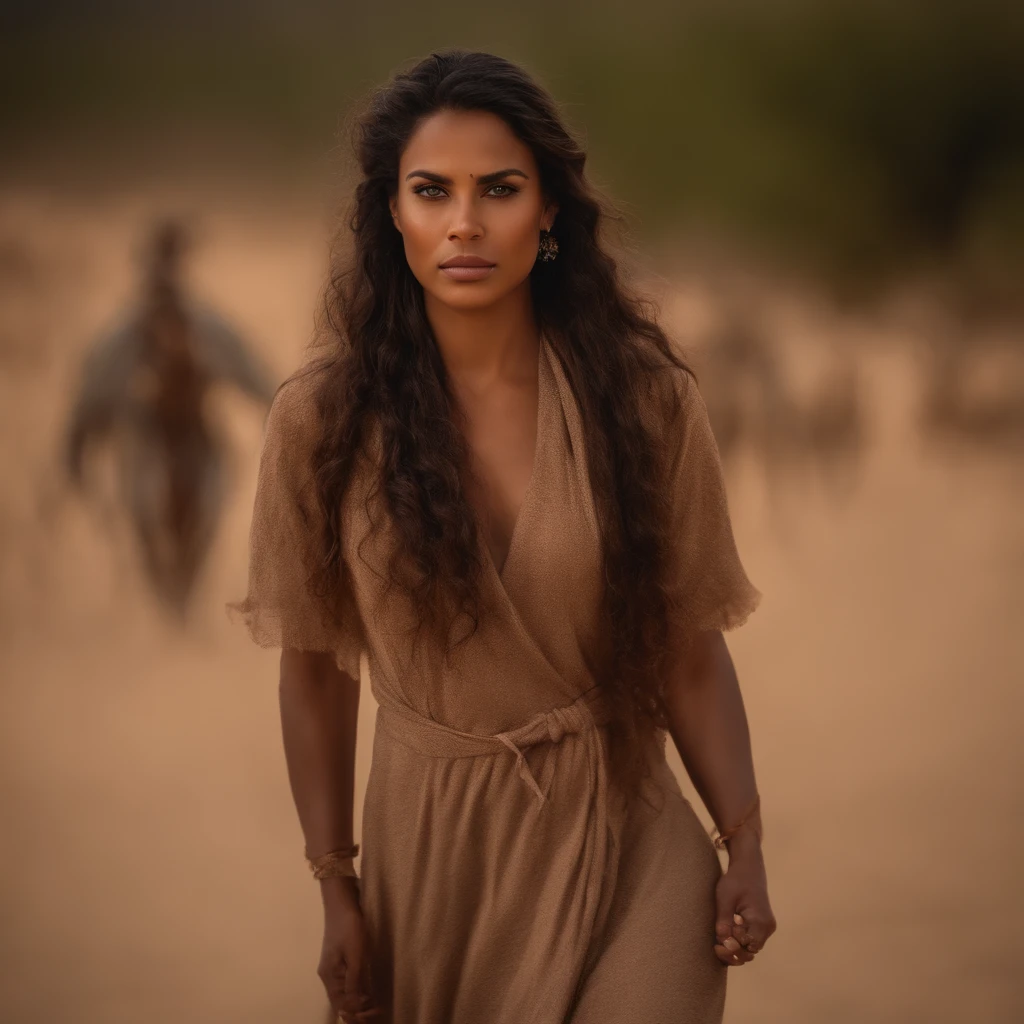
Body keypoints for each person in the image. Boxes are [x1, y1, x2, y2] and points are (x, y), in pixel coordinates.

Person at [229, 49, 776, 1024]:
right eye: (432, 191)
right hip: (435, 868)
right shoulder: (322, 421)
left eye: (501, 190)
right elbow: (313, 671)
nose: (466, 223)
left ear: (551, 210)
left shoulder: (646, 402)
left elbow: (690, 647)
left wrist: (744, 840)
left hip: (627, 845)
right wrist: (334, 885)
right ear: (392, 213)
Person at [65, 219, 275, 616]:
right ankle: (167, 607)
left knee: (207, 515)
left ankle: (180, 606)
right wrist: (75, 459)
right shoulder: (123, 339)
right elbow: (89, 408)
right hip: (145, 439)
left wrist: (279, 437)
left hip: (199, 438)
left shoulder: (208, 329)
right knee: (146, 511)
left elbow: (261, 386)